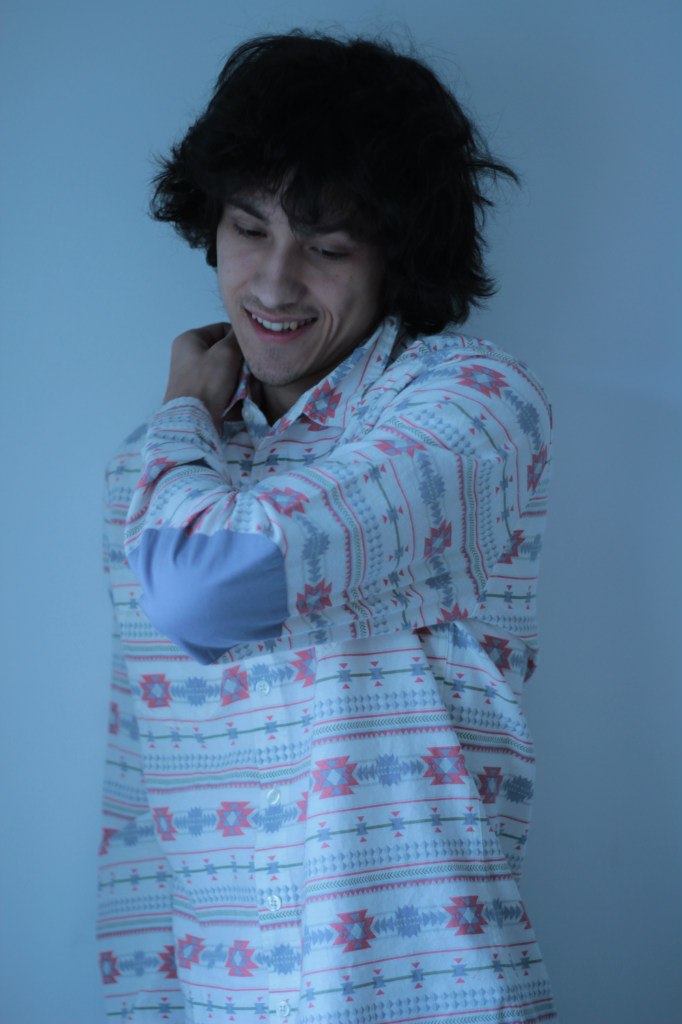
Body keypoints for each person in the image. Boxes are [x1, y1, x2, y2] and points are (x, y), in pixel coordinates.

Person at [97, 30, 556, 1024]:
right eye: (247, 228)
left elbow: (201, 587)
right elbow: (142, 793)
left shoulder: (471, 411)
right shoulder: (157, 471)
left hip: (426, 996)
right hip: (219, 999)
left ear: (396, 256)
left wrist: (181, 412)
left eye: (328, 246)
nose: (272, 282)